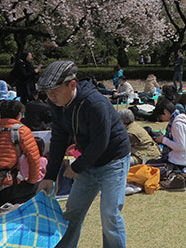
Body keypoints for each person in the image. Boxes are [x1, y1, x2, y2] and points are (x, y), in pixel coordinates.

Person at [36, 61, 130, 248]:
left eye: (55, 91)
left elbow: (100, 142)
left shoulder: (95, 103)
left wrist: (77, 166)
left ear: (72, 85)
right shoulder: (56, 104)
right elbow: (58, 139)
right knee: (72, 212)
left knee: (110, 214)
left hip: (113, 160)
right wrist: (50, 176)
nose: (51, 97)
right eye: (47, 92)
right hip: (88, 161)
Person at [0, 100, 41, 207]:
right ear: (19, 115)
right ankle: (7, 204)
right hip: (6, 186)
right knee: (39, 186)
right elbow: (33, 158)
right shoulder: (22, 131)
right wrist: (32, 181)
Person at [151, 103, 186, 171]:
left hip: (177, 161)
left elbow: (180, 147)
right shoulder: (181, 118)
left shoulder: (177, 124)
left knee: (148, 165)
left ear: (165, 111)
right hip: (183, 159)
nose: (161, 118)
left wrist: (163, 140)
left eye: (160, 116)